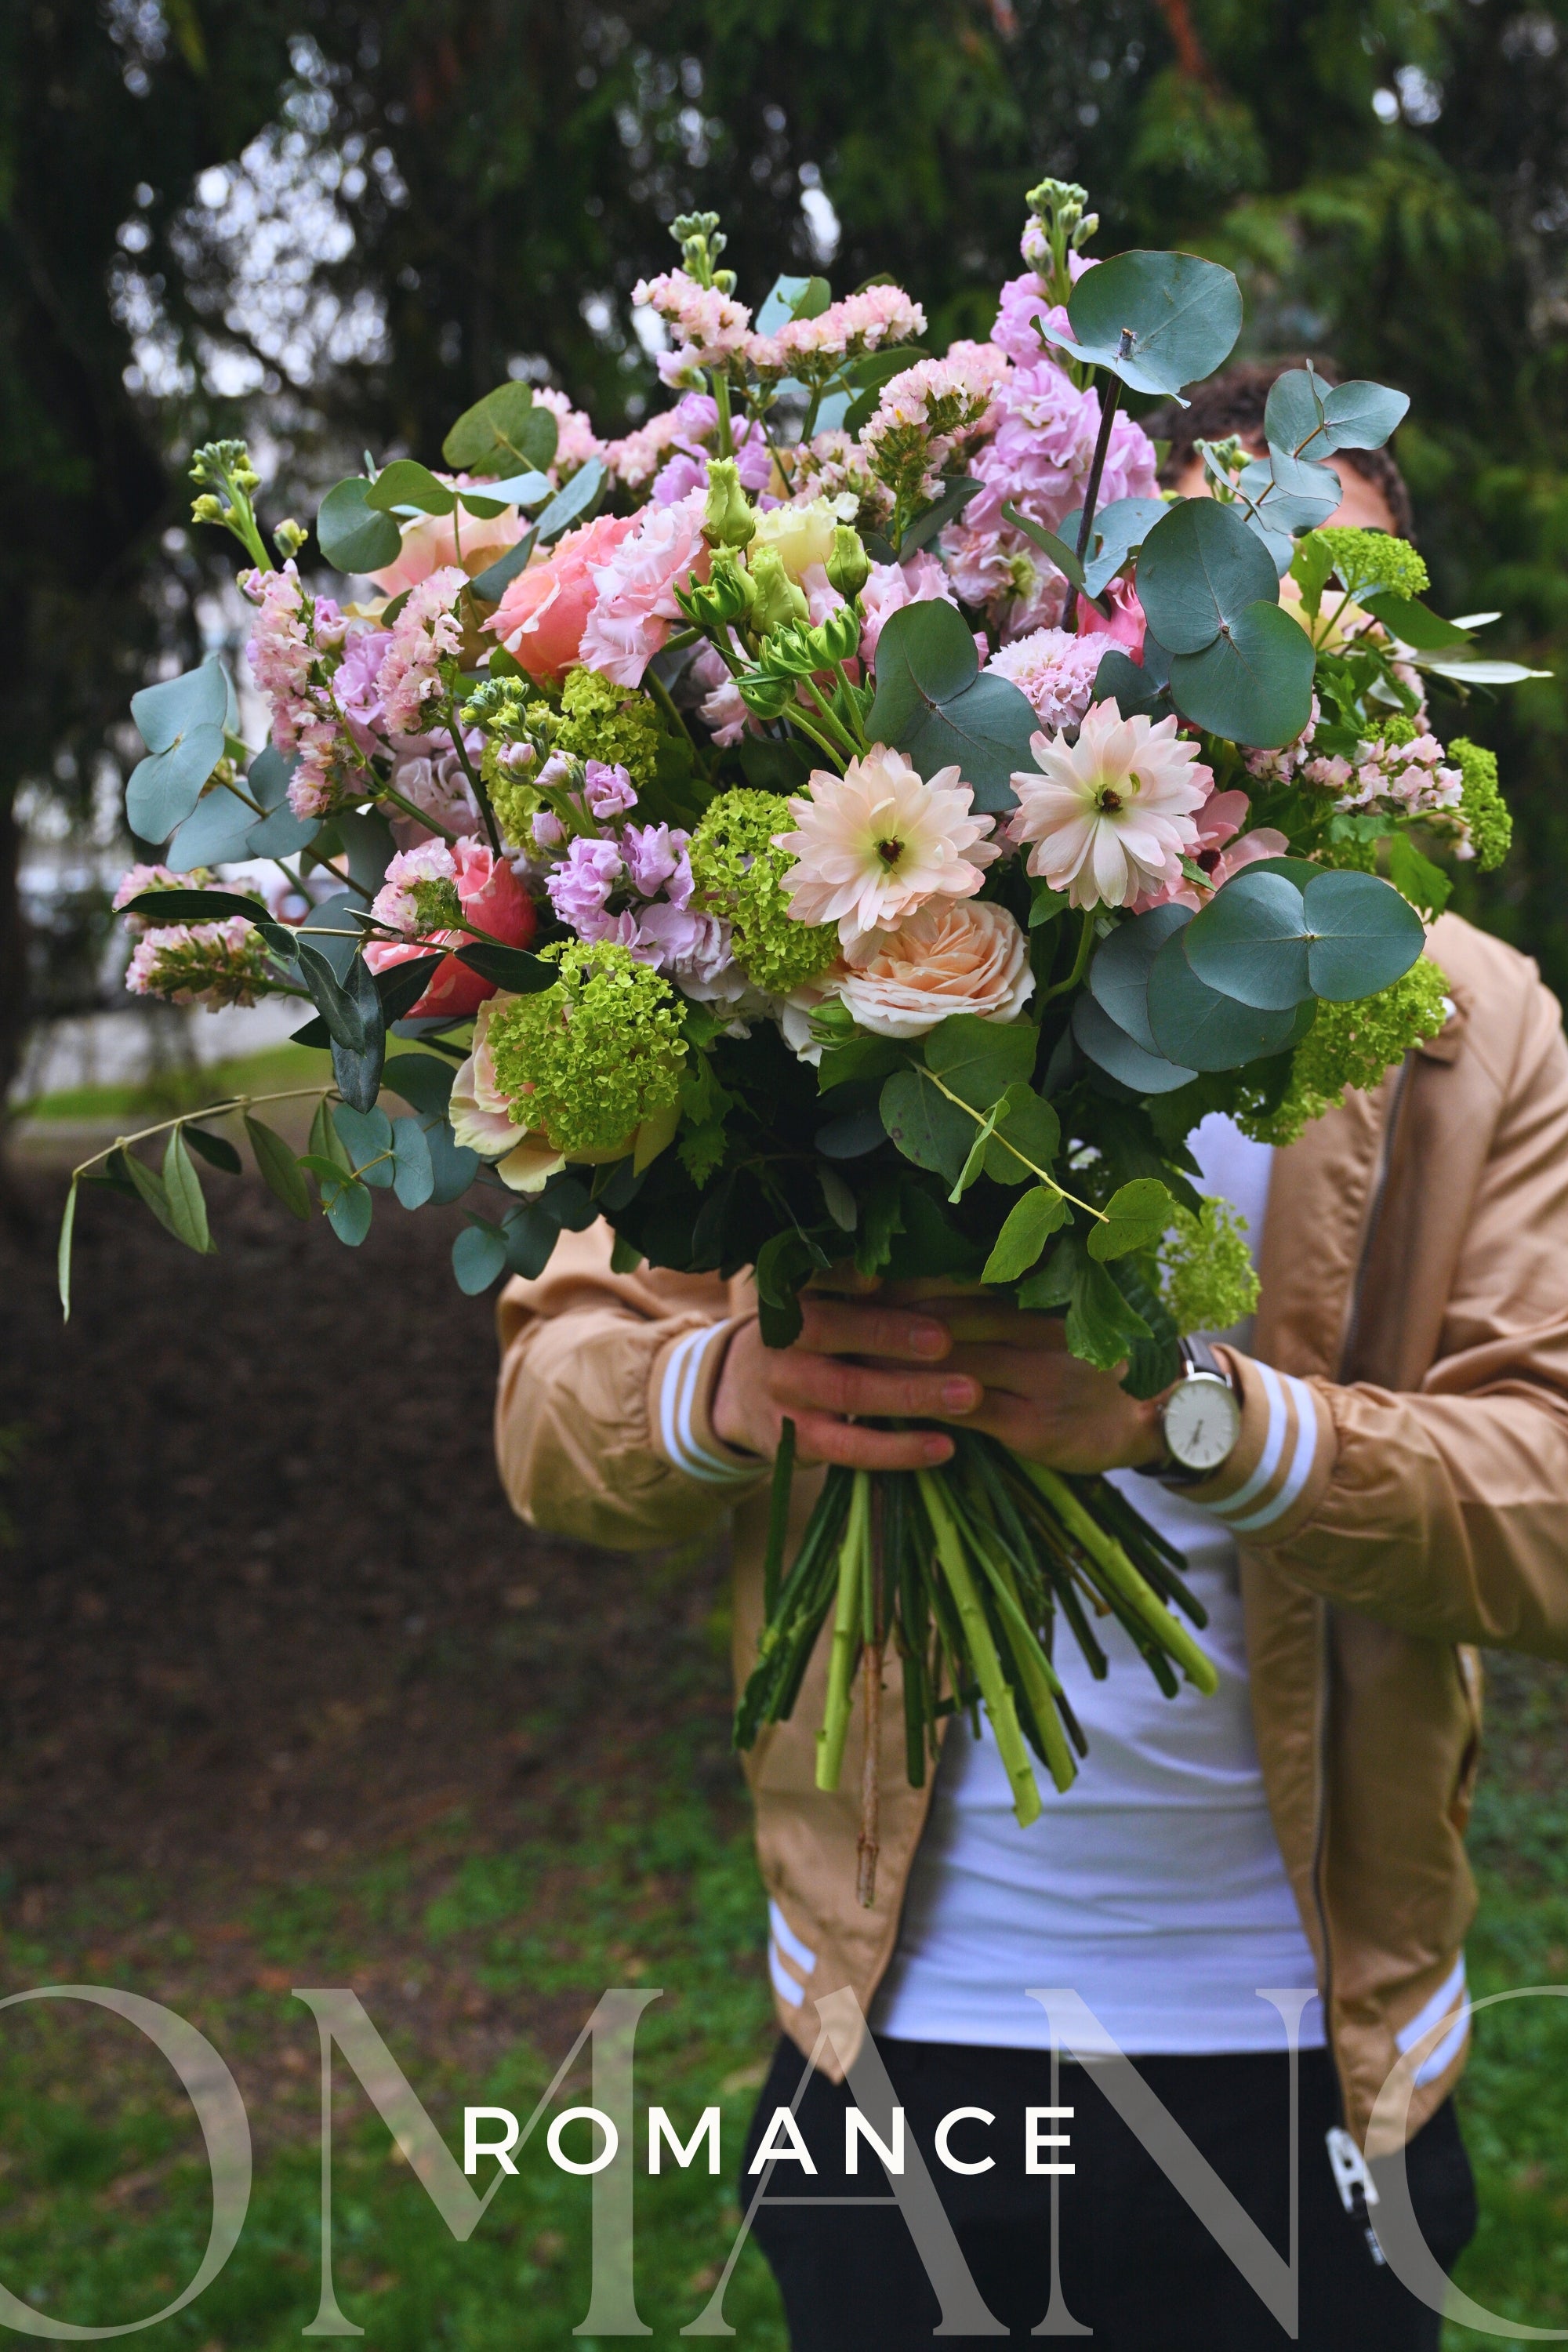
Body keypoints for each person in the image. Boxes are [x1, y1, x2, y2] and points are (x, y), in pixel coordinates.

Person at [492, 370, 1568, 2347]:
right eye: (1212, 592)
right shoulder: (858, 924)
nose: (1277, 665)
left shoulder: (1472, 1025)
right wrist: (730, 1395)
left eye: (1337, 614)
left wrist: (1205, 1424)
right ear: (1073, 613)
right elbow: (551, 1410)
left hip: (1309, 2048)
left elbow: (1552, 1507)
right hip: (896, 2028)